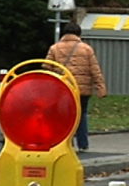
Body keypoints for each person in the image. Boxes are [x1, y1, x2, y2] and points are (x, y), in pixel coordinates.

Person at [44, 22, 107, 151]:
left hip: (62, 89)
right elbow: (95, 69)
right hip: (81, 89)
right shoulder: (86, 49)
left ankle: (65, 143)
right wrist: (100, 87)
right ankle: (83, 144)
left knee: (63, 115)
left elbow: (46, 67)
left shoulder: (54, 48)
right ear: (79, 34)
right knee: (81, 114)